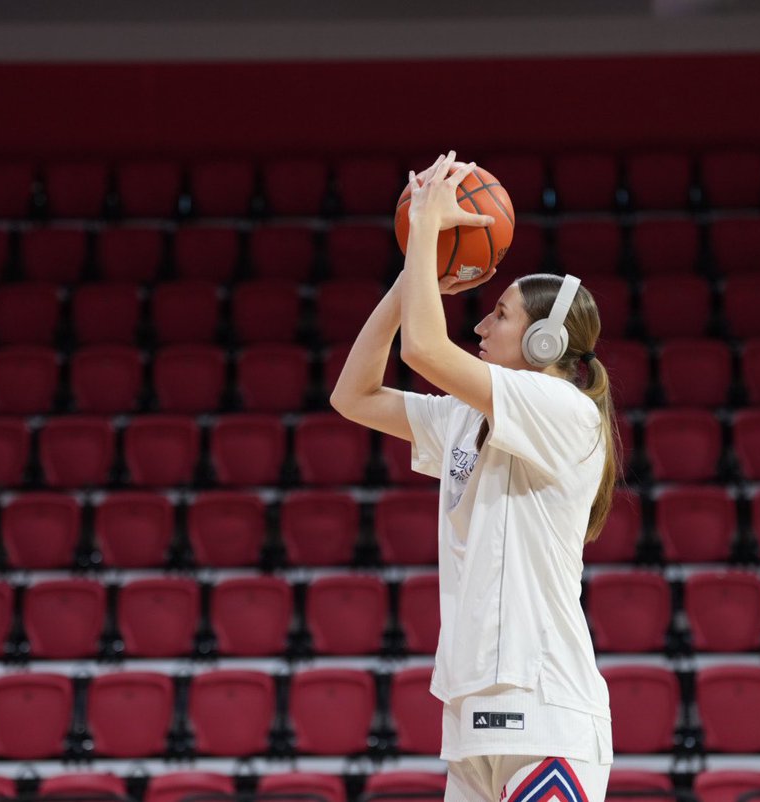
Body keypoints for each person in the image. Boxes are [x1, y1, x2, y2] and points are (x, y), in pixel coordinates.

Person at [330, 151, 619, 802]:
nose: (482, 323)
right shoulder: (468, 418)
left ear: (545, 342)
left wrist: (428, 232)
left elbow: (425, 351)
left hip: (546, 707)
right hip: (470, 715)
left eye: (502, 315)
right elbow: (353, 395)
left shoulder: (565, 410)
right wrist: (411, 283)